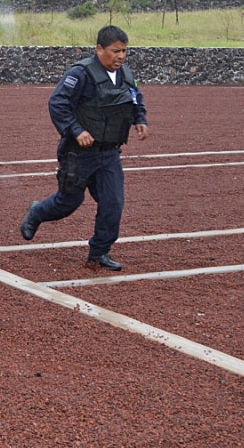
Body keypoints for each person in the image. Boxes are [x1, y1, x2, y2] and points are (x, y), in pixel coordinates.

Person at [19, 25, 149, 271]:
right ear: (99, 49)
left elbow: (135, 99)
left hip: (109, 153)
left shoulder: (126, 75)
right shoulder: (80, 74)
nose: (120, 56)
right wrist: (76, 130)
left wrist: (140, 119)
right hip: (79, 155)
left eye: (124, 51)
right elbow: (57, 103)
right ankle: (37, 212)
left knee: (113, 204)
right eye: (115, 51)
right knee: (68, 203)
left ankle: (99, 253)